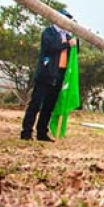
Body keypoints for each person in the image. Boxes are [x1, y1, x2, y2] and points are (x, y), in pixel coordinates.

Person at [21, 8, 78, 142]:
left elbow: (73, 54)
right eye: (64, 18)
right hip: (46, 74)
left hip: (59, 75)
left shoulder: (68, 37)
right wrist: (67, 45)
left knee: (49, 106)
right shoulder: (48, 32)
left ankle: (42, 132)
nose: (66, 21)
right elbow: (52, 47)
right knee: (36, 104)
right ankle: (26, 132)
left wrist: (74, 43)